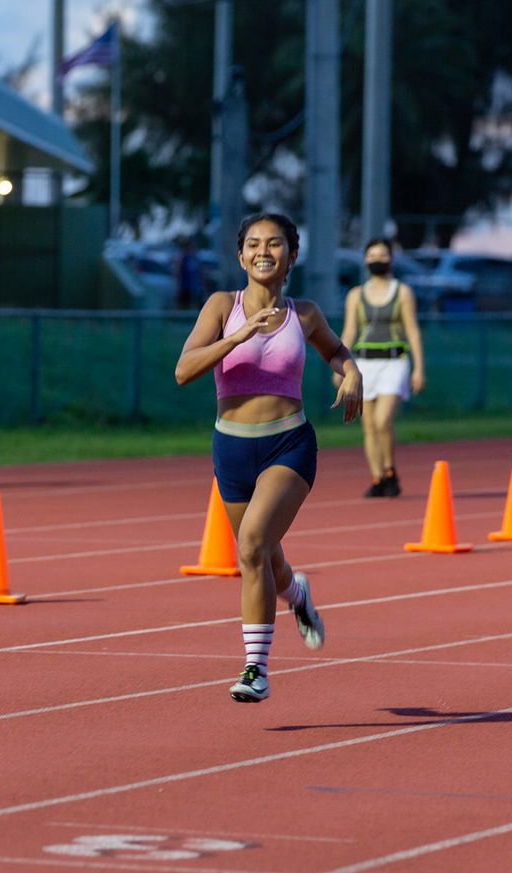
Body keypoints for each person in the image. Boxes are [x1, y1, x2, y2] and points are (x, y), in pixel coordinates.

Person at [176, 212, 363, 703]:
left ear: (291, 256)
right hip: (231, 448)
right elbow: (183, 370)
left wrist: (353, 374)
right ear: (240, 256)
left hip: (288, 444)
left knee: (253, 544)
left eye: (275, 244)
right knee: (264, 558)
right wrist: (236, 336)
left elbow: (337, 351)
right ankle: (296, 595)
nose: (264, 251)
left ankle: (255, 669)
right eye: (254, 244)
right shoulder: (222, 306)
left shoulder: (305, 314)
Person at [339, 238, 427, 496]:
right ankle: (378, 478)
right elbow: (350, 331)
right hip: (365, 362)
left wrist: (419, 368)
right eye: (372, 255)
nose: (377, 260)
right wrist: (342, 368)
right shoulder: (356, 295)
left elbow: (413, 331)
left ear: (391, 259)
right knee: (368, 425)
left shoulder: (402, 292)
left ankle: (390, 469)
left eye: (382, 255)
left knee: (382, 420)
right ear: (366, 260)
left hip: (393, 362)